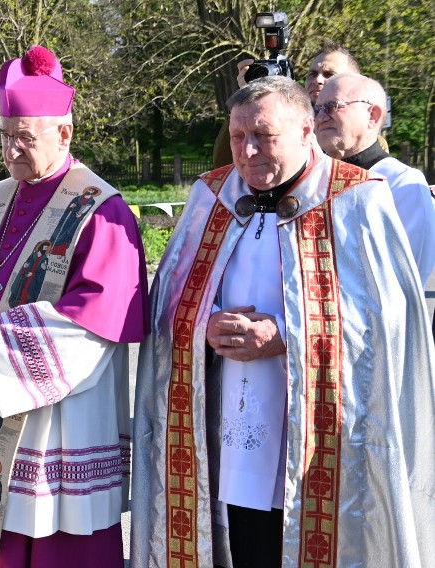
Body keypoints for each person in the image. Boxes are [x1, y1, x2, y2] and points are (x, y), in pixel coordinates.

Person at [131, 76, 435, 568]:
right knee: (246, 537)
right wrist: (204, 324)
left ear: (305, 129)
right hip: (233, 417)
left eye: (265, 136)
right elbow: (169, 298)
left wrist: (286, 336)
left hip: (324, 429)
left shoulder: (357, 198)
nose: (247, 151)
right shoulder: (213, 195)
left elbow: (389, 320)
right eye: (237, 136)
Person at [0, 45, 149, 568]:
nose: (12, 149)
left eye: (25, 137)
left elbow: (96, 318)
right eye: (4, 135)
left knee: (60, 544)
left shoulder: (101, 212)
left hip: (57, 416)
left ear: (64, 133)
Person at [314, 73, 435, 283]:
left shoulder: (402, 184)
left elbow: (405, 282)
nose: (321, 118)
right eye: (317, 109)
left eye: (332, 106)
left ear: (373, 115)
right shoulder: (313, 179)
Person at [213, 39, 363, 168]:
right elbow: (223, 165)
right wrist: (246, 103)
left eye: (329, 74)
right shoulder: (286, 124)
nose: (317, 80)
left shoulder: (365, 139)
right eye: (312, 74)